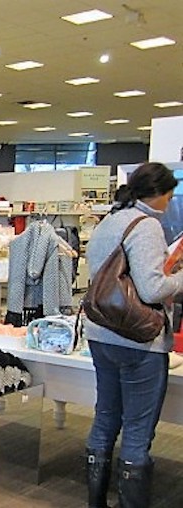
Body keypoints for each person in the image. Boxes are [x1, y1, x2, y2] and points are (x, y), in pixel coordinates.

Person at [84, 162, 183, 508]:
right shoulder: (147, 226)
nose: (170, 205)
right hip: (138, 338)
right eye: (169, 197)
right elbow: (153, 288)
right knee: (138, 431)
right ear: (157, 195)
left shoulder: (109, 220)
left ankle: (95, 502)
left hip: (101, 333)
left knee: (105, 416)